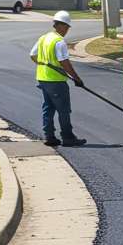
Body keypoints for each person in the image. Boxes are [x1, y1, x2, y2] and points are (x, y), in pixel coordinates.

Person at [29, 11, 86, 147]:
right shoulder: (59, 42)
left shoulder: (44, 38)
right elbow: (64, 62)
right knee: (64, 110)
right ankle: (68, 137)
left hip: (42, 79)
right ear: (60, 25)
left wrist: (42, 63)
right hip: (56, 81)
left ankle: (49, 136)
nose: (67, 30)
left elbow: (32, 55)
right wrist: (77, 78)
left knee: (48, 108)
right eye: (66, 27)